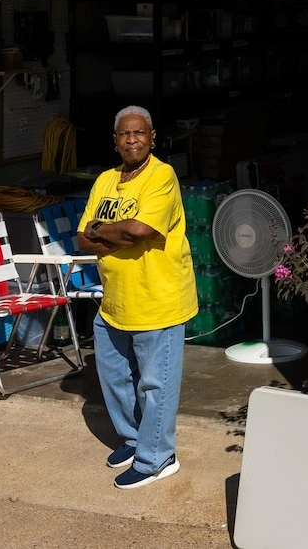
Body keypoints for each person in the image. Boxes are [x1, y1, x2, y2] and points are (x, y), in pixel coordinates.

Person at [75, 105, 197, 489]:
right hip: (114, 300)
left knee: (155, 385)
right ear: (115, 141)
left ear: (152, 137)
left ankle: (158, 457)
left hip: (157, 299)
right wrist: (114, 233)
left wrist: (104, 232)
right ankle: (133, 439)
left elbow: (140, 230)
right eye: (125, 134)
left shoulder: (162, 176)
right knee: (114, 379)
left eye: (139, 133)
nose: (132, 139)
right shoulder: (105, 181)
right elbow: (82, 237)